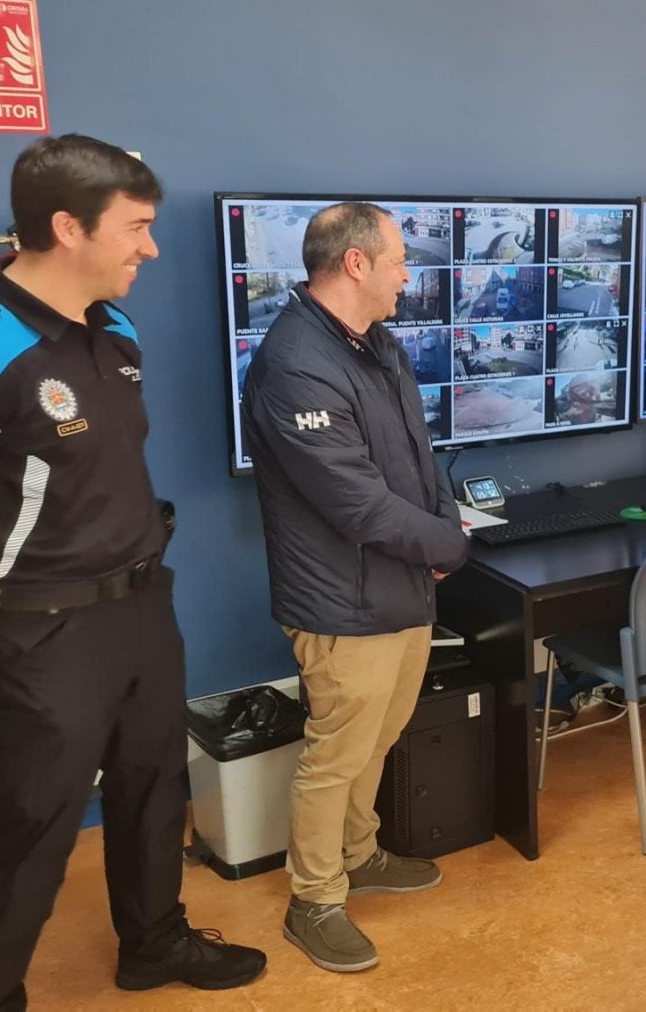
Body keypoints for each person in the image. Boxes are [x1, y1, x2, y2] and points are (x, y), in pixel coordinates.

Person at [0, 135, 265, 1009]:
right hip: (39, 633)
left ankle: (152, 943)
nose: (150, 248)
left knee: (156, 788)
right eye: (136, 229)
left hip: (142, 604)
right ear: (67, 227)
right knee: (31, 831)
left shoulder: (114, 327)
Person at [242, 202, 469, 972]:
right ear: (356, 264)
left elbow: (418, 451)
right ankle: (315, 899)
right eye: (401, 259)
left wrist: (446, 524)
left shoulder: (379, 343)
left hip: (401, 585)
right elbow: (353, 499)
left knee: (378, 737)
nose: (411, 274)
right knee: (337, 752)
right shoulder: (293, 361)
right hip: (342, 600)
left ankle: (360, 854)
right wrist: (447, 543)